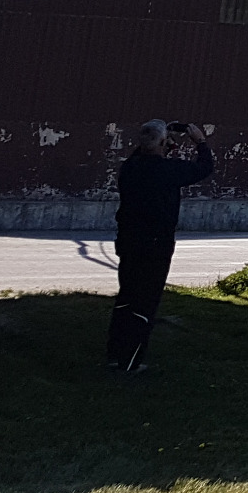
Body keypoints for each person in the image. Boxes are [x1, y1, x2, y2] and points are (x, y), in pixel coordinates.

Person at [104, 119, 214, 372]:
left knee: (126, 296)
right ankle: (130, 362)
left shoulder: (131, 168)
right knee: (145, 300)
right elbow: (204, 168)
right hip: (155, 243)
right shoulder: (168, 171)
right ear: (163, 143)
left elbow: (144, 152)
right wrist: (200, 141)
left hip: (128, 239)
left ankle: (115, 352)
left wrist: (162, 143)